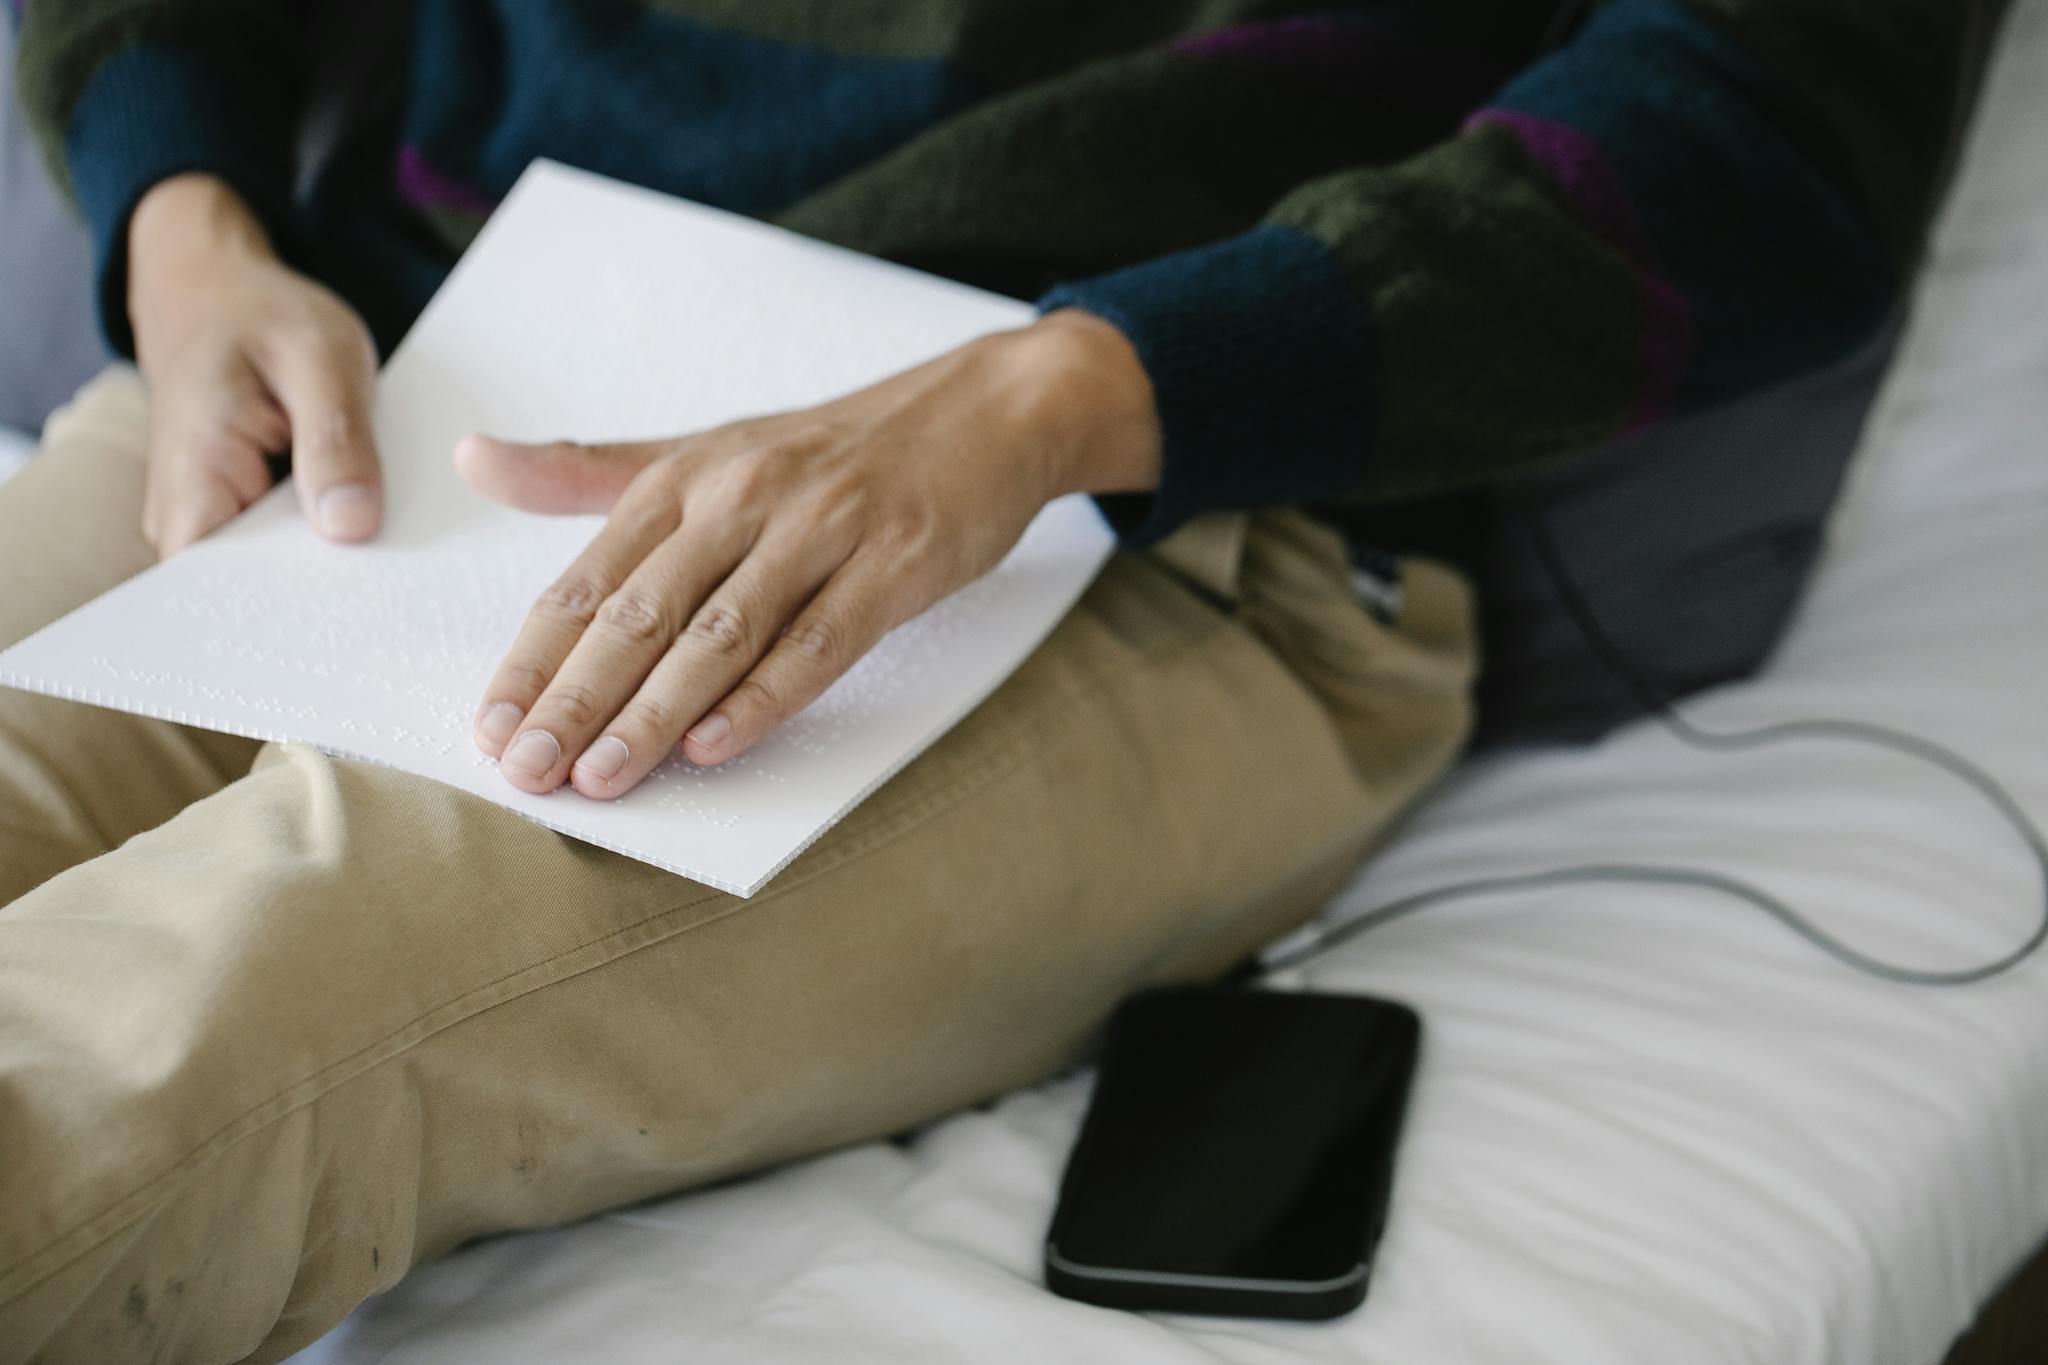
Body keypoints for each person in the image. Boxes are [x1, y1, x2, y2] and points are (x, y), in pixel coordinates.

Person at [0, 1, 1981, 1359]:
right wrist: (185, 228)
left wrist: (1050, 393)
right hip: (404, 362)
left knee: (196, 1014)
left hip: (1171, 491)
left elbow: (1770, 130)